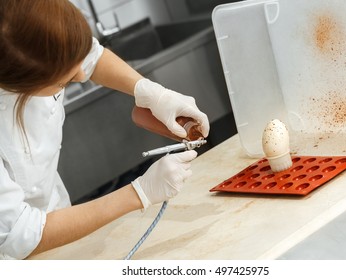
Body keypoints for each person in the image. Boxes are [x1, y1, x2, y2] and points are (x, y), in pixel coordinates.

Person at [0, 0, 209, 259]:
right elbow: (19, 232)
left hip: (58, 218)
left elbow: (91, 58)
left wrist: (150, 91)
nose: (79, 75)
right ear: (19, 82)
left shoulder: (29, 19)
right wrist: (139, 193)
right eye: (62, 81)